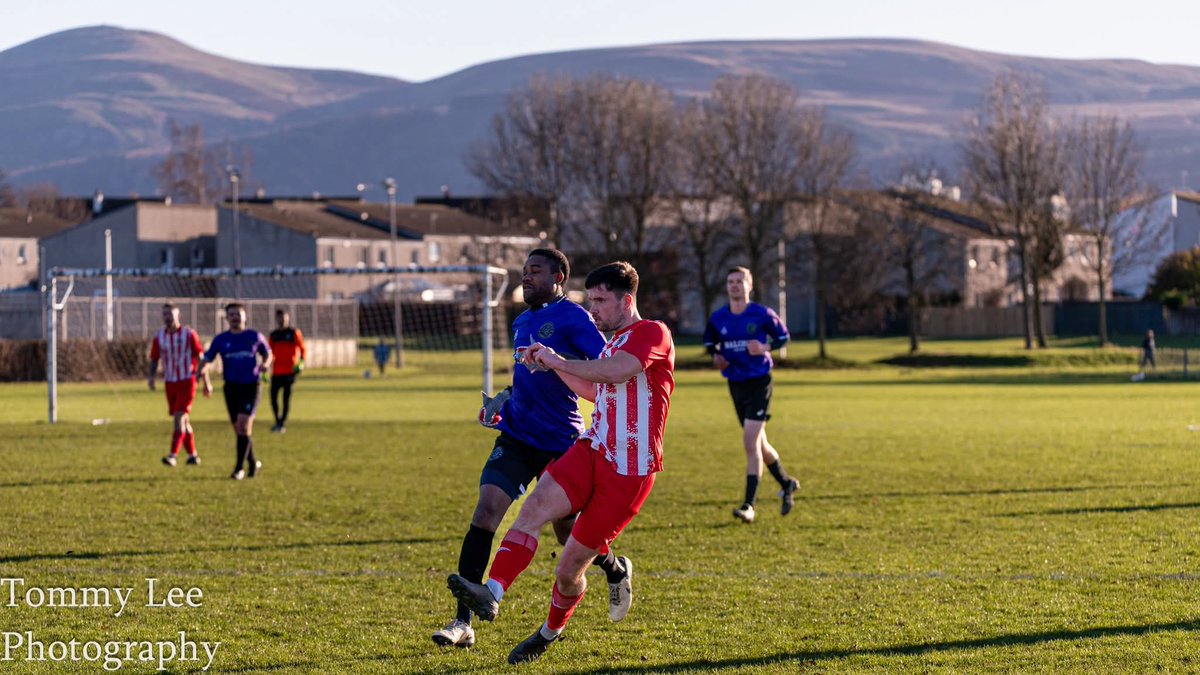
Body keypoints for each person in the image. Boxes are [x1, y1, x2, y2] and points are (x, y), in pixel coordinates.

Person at [448, 261, 675, 665]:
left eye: (600, 301)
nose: (593, 309)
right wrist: (549, 364)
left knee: (568, 570)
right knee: (532, 510)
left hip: (629, 473)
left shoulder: (652, 333)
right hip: (591, 450)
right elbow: (594, 389)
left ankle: (548, 633)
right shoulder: (611, 342)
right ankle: (492, 593)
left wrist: (560, 360)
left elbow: (617, 372)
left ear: (626, 301)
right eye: (591, 300)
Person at [703, 266, 798, 524]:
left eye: (739, 281)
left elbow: (783, 337)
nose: (734, 285)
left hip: (759, 382)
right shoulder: (718, 318)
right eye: (730, 282)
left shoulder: (762, 314)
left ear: (749, 285)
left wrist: (765, 346)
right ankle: (786, 483)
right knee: (760, 443)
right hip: (735, 384)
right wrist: (716, 357)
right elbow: (710, 343)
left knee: (750, 443)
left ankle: (749, 505)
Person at [198, 303, 272, 480]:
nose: (235, 318)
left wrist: (265, 364)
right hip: (231, 387)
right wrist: (201, 375)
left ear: (245, 316)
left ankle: (239, 468)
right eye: (231, 315)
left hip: (251, 385)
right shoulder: (221, 339)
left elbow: (268, 353)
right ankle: (253, 462)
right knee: (239, 429)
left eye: (238, 314)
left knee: (244, 425)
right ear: (226, 318)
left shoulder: (254, 336)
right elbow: (207, 359)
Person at [148, 303, 212, 467]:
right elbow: (154, 359)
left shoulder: (189, 334)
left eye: (170, 314)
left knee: (179, 418)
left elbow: (201, 359)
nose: (167, 317)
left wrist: (206, 382)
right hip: (170, 382)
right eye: (165, 314)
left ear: (178, 316)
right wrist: (151, 378)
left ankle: (172, 455)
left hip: (187, 381)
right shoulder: (159, 337)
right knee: (183, 420)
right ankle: (192, 455)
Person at [268, 309, 307, 433]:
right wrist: (265, 368)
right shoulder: (274, 335)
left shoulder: (294, 333)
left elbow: (303, 349)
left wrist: (301, 362)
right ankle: (277, 420)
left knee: (286, 398)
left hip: (290, 372)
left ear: (288, 318)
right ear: (277, 319)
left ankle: (282, 423)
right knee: (273, 398)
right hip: (276, 372)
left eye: (284, 318)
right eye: (280, 318)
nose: (282, 320)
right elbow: (269, 352)